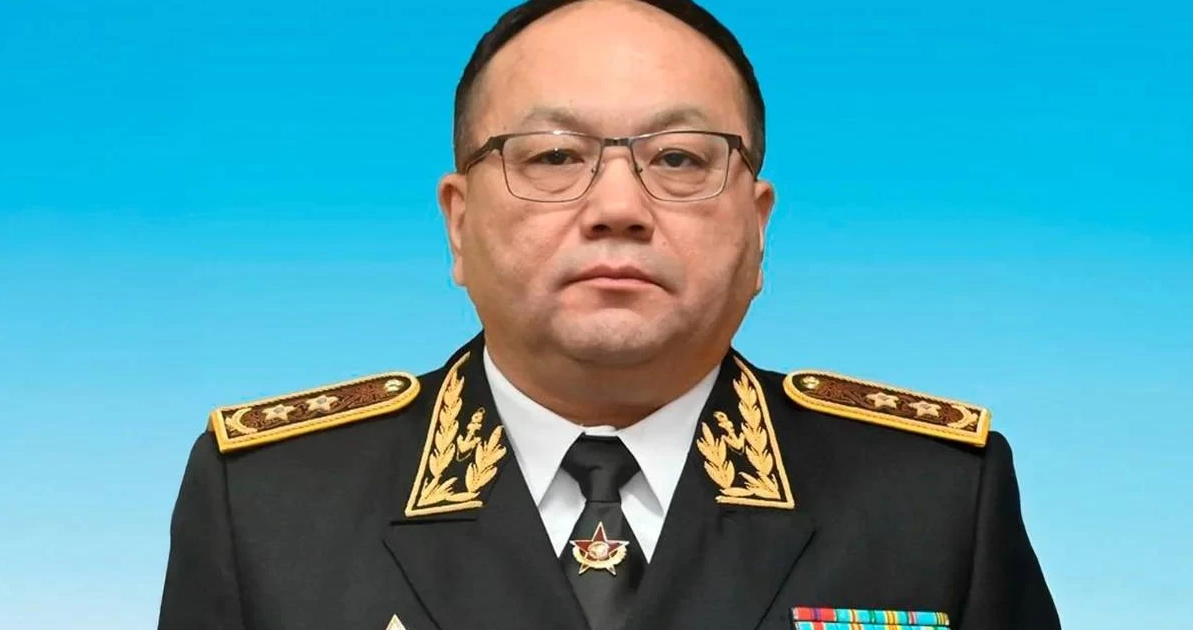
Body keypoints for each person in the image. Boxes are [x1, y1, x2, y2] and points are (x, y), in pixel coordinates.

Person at [157, 1, 1062, 628]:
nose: (618, 207)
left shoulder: (933, 497)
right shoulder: (271, 501)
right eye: (554, 157)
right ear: (459, 224)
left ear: (757, 228)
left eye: (680, 159)